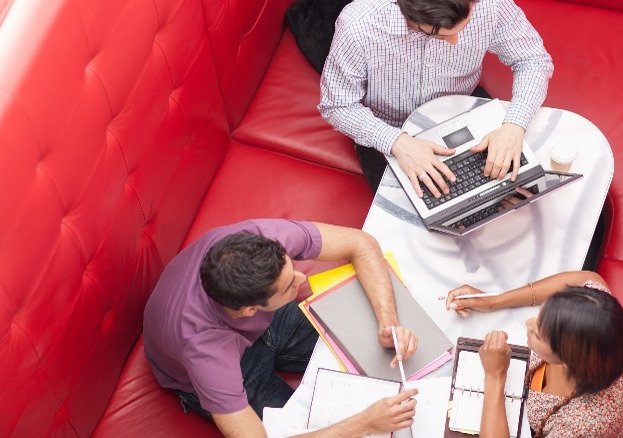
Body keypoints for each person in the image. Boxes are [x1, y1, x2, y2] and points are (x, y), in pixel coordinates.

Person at [143, 219, 420, 437]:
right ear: (250, 310)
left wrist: (388, 323)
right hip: (228, 370)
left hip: (267, 320)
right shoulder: (207, 355)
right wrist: (363, 424)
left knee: (377, 348)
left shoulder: (260, 240)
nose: (302, 278)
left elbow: (361, 243)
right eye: (290, 286)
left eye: (292, 269)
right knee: (327, 425)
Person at [318, 0, 554, 196]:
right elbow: (337, 105)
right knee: (427, 221)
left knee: (521, 192)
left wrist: (514, 124)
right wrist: (396, 141)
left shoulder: (490, 4)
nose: (455, 42)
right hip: (389, 126)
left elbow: (532, 59)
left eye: (465, 26)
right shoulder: (358, 25)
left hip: (462, 106)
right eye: (438, 34)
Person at [445, 271, 623, 437]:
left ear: (569, 361)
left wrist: (494, 376)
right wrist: (494, 300)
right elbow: (586, 280)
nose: (529, 324)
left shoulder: (576, 429)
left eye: (540, 334)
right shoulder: (597, 334)